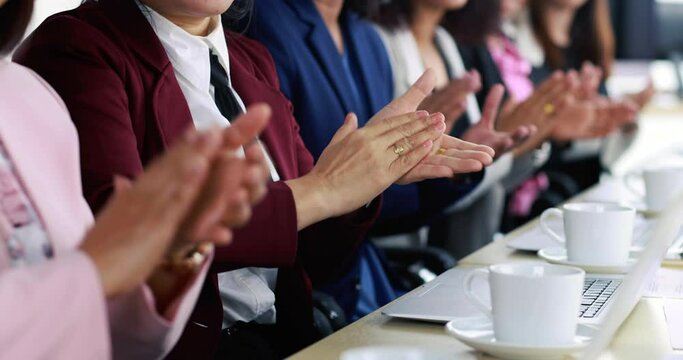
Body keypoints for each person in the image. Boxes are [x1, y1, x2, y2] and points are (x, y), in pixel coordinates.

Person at [15, 0, 495, 357]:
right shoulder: (78, 48)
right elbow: (123, 245)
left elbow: (314, 260)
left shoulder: (250, 59)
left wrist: (363, 185)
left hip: (288, 338)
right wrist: (322, 190)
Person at [0, 0, 273, 358]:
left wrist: (178, 246)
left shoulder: (26, 93)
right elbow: (96, 276)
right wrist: (96, 271)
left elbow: (116, 336)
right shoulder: (71, 50)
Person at [246, 0, 514, 321]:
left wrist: (443, 167)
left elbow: (377, 199)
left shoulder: (365, 36)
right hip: (314, 295)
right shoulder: (265, 24)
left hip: (363, 277)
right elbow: (316, 200)